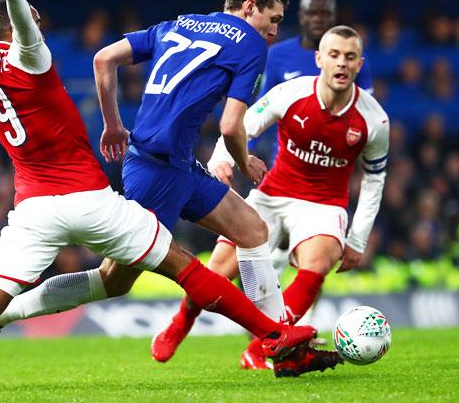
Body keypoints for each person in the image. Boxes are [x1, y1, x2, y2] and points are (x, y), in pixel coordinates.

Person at [0, 0, 317, 392]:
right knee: (178, 267)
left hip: (33, 209)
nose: (40, 23)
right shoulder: (33, 58)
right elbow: (25, 27)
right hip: (91, 198)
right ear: (26, 26)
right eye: (35, 18)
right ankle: (275, 334)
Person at [0, 0, 340, 378]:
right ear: (250, 8)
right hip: (157, 174)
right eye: (274, 19)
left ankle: (282, 344)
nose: (275, 31)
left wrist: (113, 123)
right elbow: (230, 126)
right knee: (114, 281)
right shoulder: (249, 43)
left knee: (252, 229)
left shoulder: (181, 22)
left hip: (172, 163)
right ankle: (2, 315)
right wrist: (245, 162)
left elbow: (104, 59)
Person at [151, 25, 389, 370]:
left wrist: (357, 239)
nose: (341, 63)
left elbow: (374, 179)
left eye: (350, 57)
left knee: (318, 262)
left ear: (359, 64)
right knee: (217, 270)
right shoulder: (290, 94)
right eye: (334, 55)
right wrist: (221, 160)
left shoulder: (374, 119)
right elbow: (242, 124)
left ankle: (271, 343)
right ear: (319, 59)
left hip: (323, 205)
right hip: (273, 194)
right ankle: (180, 325)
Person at [260, 0, 373, 95]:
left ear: (335, 17)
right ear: (301, 16)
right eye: (312, 13)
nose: (318, 19)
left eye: (325, 14)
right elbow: (263, 104)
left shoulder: (352, 56)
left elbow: (367, 108)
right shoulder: (276, 54)